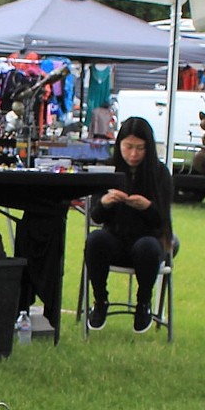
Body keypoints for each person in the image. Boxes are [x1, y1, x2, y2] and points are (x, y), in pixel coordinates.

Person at [84, 115, 174, 334]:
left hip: (148, 243)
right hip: (115, 240)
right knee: (95, 239)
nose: (134, 154)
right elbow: (96, 217)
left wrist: (147, 207)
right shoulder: (107, 169)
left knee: (147, 247)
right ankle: (100, 301)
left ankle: (143, 304)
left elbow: (163, 221)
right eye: (128, 147)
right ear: (119, 145)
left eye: (140, 148)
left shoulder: (160, 173)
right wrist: (104, 203)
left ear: (149, 147)